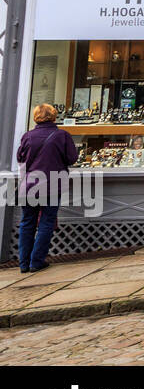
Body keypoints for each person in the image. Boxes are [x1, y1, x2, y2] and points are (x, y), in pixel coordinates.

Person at [16, 104, 79, 273]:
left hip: (29, 185)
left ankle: (23, 263)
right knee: (46, 222)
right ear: (53, 116)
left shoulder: (27, 136)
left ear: (36, 117)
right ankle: (36, 261)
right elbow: (72, 158)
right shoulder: (62, 136)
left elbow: (20, 159)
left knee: (27, 222)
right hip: (52, 184)